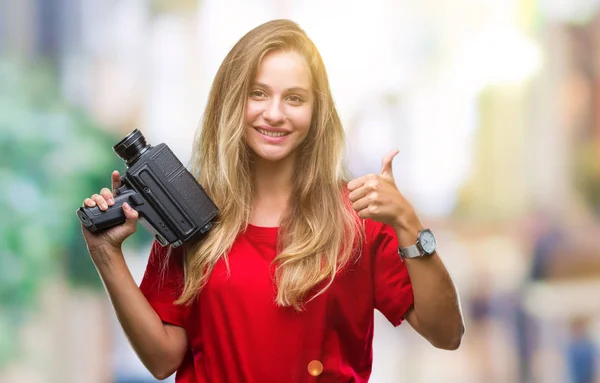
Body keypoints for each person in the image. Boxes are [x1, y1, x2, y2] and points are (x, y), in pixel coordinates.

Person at [81, 19, 464, 383]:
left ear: (317, 113)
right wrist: (106, 256)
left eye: (294, 98)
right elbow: (163, 359)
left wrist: (409, 225)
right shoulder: (189, 213)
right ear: (232, 101)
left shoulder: (359, 217)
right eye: (258, 93)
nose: (275, 114)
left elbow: (446, 334)